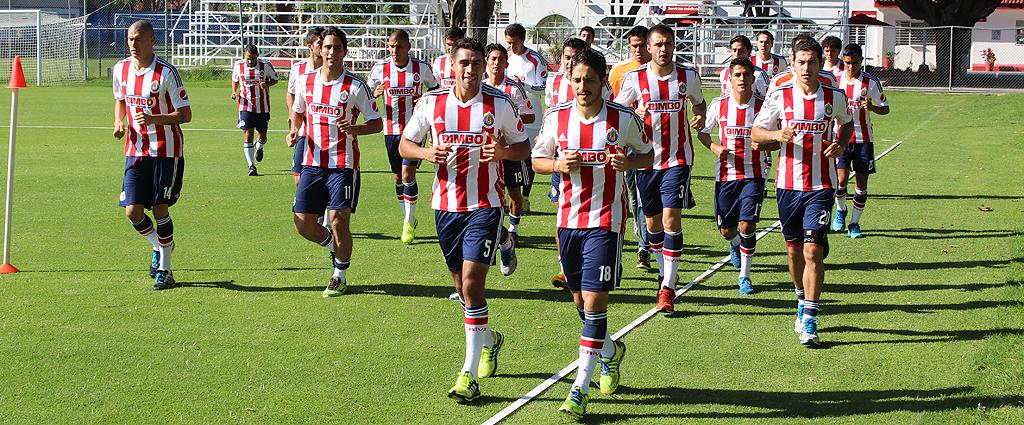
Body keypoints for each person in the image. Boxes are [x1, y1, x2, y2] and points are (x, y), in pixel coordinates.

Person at [400, 38, 530, 402]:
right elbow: (405, 144)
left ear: (484, 67)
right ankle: (490, 340)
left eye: (476, 63)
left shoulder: (499, 104)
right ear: (452, 66)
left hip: (486, 204)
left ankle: (468, 374)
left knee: (472, 283)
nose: (471, 69)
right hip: (445, 206)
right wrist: (427, 152)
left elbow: (523, 147)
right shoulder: (433, 102)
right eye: (464, 63)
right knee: (462, 288)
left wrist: (503, 151)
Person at [532, 49, 652, 419]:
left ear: (603, 82)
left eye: (590, 80)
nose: (583, 87)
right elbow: (536, 161)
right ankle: (611, 351)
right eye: (577, 80)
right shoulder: (557, 117)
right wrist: (557, 163)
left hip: (606, 221)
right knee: (581, 304)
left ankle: (580, 388)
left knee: (595, 300)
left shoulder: (622, 118)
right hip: (567, 222)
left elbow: (648, 155)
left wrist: (628, 162)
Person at [751, 37, 853, 347]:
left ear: (821, 64)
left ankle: (810, 317)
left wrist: (841, 143)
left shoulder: (834, 96)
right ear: (792, 64)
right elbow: (756, 132)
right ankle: (800, 296)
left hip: (821, 186)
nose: (806, 67)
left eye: (812, 62)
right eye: (801, 62)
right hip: (787, 186)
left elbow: (847, 124)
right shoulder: (780, 94)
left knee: (812, 250)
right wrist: (777, 134)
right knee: (795, 251)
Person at [615, 24, 706, 314]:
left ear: (674, 45)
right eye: (658, 44)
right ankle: (664, 272)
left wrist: (699, 116)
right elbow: (617, 113)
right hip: (645, 160)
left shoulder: (688, 76)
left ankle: (667, 287)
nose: (663, 49)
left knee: (670, 219)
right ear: (649, 47)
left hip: (678, 159)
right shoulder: (634, 78)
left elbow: (699, 104)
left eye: (668, 43)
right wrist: (634, 112)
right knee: (652, 225)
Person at [287, 27, 383, 298]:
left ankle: (339, 275)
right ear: (319, 49)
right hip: (312, 163)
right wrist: (294, 130)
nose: (331, 52)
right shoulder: (306, 81)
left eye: (336, 47)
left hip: (343, 164)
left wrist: (354, 129)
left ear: (345, 51)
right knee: (302, 223)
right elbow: (298, 112)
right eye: (327, 47)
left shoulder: (356, 86)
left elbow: (376, 123)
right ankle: (334, 246)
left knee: (338, 220)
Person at [112, 20, 192, 290]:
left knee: (160, 209)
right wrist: (119, 122)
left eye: (138, 39)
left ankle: (165, 271)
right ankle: (160, 245)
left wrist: (153, 118)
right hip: (135, 150)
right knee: (132, 211)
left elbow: (186, 115)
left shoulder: (166, 73)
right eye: (130, 39)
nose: (133, 44)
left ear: (151, 41)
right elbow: (121, 99)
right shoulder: (121, 69)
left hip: (166, 151)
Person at [697, 58, 768, 296]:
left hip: (754, 175)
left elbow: (777, 137)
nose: (742, 79)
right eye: (737, 75)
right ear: (729, 78)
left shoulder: (763, 106)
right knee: (727, 231)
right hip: (726, 176)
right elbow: (703, 133)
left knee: (747, 224)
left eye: (746, 75)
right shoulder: (719, 105)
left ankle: (744, 276)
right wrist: (715, 147)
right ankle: (735, 244)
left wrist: (766, 144)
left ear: (753, 78)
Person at [367, 29, 439, 244]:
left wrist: (424, 97)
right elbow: (365, 95)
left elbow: (436, 92)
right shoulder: (380, 68)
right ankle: (409, 216)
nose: (394, 50)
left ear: (408, 47)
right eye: (391, 46)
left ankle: (407, 222)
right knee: (398, 177)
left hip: (414, 131)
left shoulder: (421, 68)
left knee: (408, 174)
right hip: (390, 130)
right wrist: (374, 94)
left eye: (399, 46)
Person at [831, 43, 890, 238]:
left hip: (864, 140)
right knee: (840, 181)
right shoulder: (835, 80)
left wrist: (872, 108)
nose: (851, 67)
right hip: (840, 138)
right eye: (847, 63)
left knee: (861, 184)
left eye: (855, 63)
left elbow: (886, 108)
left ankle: (854, 223)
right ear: (843, 61)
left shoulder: (870, 82)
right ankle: (841, 210)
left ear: (861, 61)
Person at [484, 43, 535, 262]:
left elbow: (530, 115)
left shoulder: (514, 88)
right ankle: (495, 230)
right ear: (487, 62)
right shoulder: (480, 87)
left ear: (506, 63)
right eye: (493, 59)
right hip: (487, 152)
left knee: (514, 193)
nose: (497, 63)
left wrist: (508, 120)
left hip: (510, 150)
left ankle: (513, 229)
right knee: (488, 192)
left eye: (500, 59)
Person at [608, 25, 654, 270]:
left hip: (661, 146)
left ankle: (652, 243)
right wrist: (634, 113)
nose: (638, 50)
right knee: (636, 197)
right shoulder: (620, 71)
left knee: (657, 200)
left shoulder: (662, 70)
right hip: (630, 146)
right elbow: (614, 106)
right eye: (633, 46)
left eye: (642, 45)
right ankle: (643, 244)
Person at [505, 23, 549, 211]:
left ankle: (525, 197)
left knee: (528, 158)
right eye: (508, 43)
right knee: (508, 156)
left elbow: (544, 88)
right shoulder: (505, 57)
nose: (511, 47)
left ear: (523, 40)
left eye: (514, 43)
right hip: (508, 116)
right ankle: (508, 198)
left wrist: (523, 86)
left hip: (532, 117)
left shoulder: (535, 59)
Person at [231, 44, 277, 176]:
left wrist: (267, 84)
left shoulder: (265, 65)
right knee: (248, 134)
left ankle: (259, 146)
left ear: (257, 56)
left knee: (262, 137)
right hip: (245, 105)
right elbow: (235, 79)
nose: (250, 61)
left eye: (252, 59)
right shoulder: (238, 65)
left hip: (262, 106)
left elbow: (275, 79)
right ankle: (251, 166)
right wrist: (234, 91)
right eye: (248, 59)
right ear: (244, 56)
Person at [286, 27, 324, 185]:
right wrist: (293, 121)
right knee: (298, 180)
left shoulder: (331, 70)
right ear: (310, 46)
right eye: (320, 43)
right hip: (303, 131)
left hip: (323, 132)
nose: (323, 47)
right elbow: (290, 93)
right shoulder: (298, 69)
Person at [767, 34, 837, 91]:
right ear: (792, 53)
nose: (806, 67)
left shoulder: (829, 79)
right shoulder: (778, 80)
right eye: (799, 47)